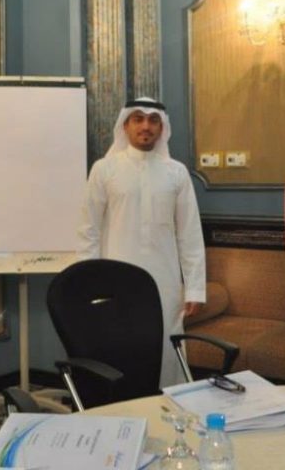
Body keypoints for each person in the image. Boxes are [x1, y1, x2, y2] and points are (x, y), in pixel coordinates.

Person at [77, 98, 206, 388]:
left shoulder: (177, 172)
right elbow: (88, 230)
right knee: (119, 346)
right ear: (125, 125)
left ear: (162, 127)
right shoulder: (104, 169)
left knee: (167, 348)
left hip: (165, 283)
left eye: (153, 120)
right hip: (115, 281)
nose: (146, 126)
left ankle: (169, 405)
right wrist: (89, 285)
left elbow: (190, 235)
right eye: (138, 119)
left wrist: (195, 288)